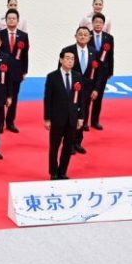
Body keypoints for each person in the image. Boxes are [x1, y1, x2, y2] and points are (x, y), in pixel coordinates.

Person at [60, 26, 105, 151]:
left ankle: (77, 142)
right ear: (75, 36)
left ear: (90, 37)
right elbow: (61, 71)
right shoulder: (67, 51)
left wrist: (96, 89)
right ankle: (68, 144)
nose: (83, 36)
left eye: (85, 34)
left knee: (82, 116)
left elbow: (99, 73)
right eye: (80, 34)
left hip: (87, 90)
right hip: (70, 89)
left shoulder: (94, 52)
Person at [44, 50, 84, 180]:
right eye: (67, 58)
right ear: (61, 60)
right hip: (57, 119)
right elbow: (48, 99)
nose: (70, 61)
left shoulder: (78, 76)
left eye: (72, 59)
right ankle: (53, 172)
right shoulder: (52, 77)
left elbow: (81, 99)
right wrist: (47, 118)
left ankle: (63, 171)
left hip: (72, 119)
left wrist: (81, 117)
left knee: (67, 148)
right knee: (54, 147)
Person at [0, 9, 29, 133]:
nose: (11, 20)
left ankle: (10, 122)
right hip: (1, 71)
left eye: (14, 18)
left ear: (18, 21)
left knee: (14, 98)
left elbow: (25, 55)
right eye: (9, 18)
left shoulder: (23, 36)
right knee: (0, 97)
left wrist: (24, 71)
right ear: (6, 20)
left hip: (16, 72)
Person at [88, 13, 114, 130]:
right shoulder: (87, 35)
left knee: (98, 97)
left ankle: (95, 121)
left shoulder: (109, 38)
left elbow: (110, 55)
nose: (98, 24)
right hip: (89, 71)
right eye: (96, 22)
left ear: (104, 24)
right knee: (87, 97)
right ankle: (84, 122)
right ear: (92, 23)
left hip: (103, 72)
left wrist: (110, 71)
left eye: (100, 22)